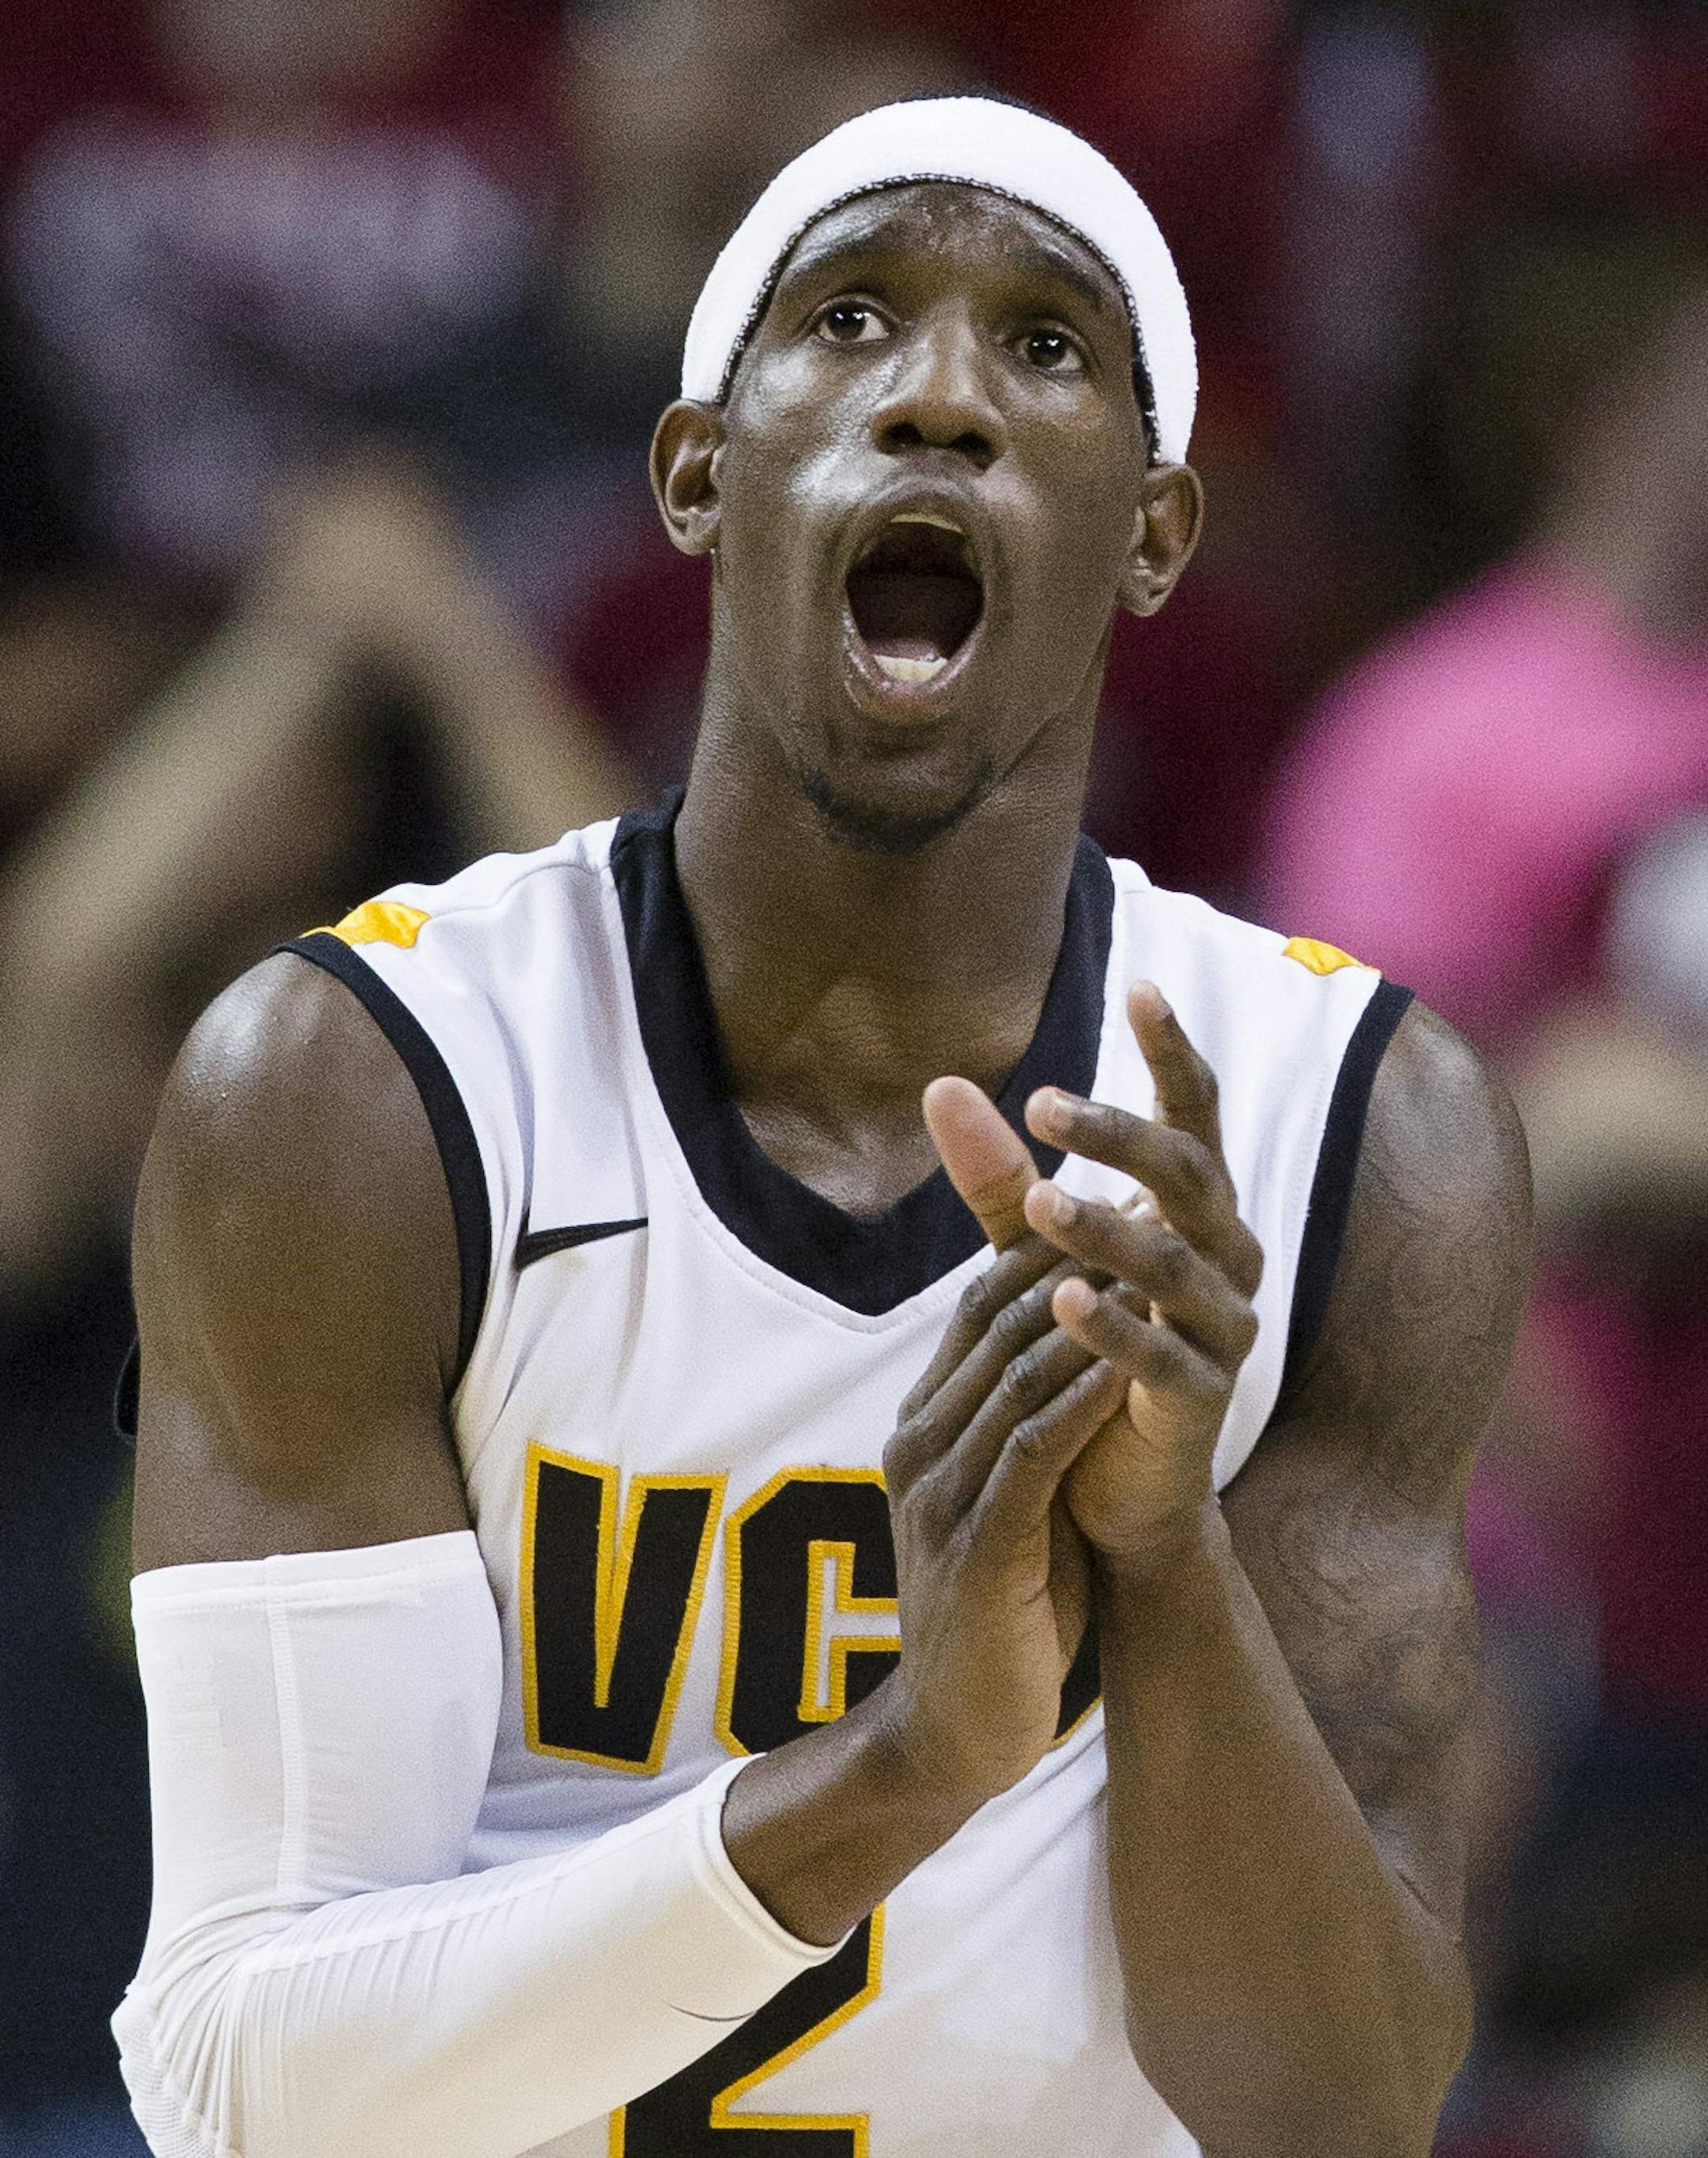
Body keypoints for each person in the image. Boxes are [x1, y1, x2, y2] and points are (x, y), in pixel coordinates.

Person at [114, 97, 1529, 2158]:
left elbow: (1343, 2111)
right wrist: (908, 1760)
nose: (941, 394)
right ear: (700, 470)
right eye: (853, 319)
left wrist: (1164, 1549)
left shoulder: (1360, 1134)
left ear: (1153, 529)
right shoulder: (356, 1088)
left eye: (1047, 348)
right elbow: (246, 2085)